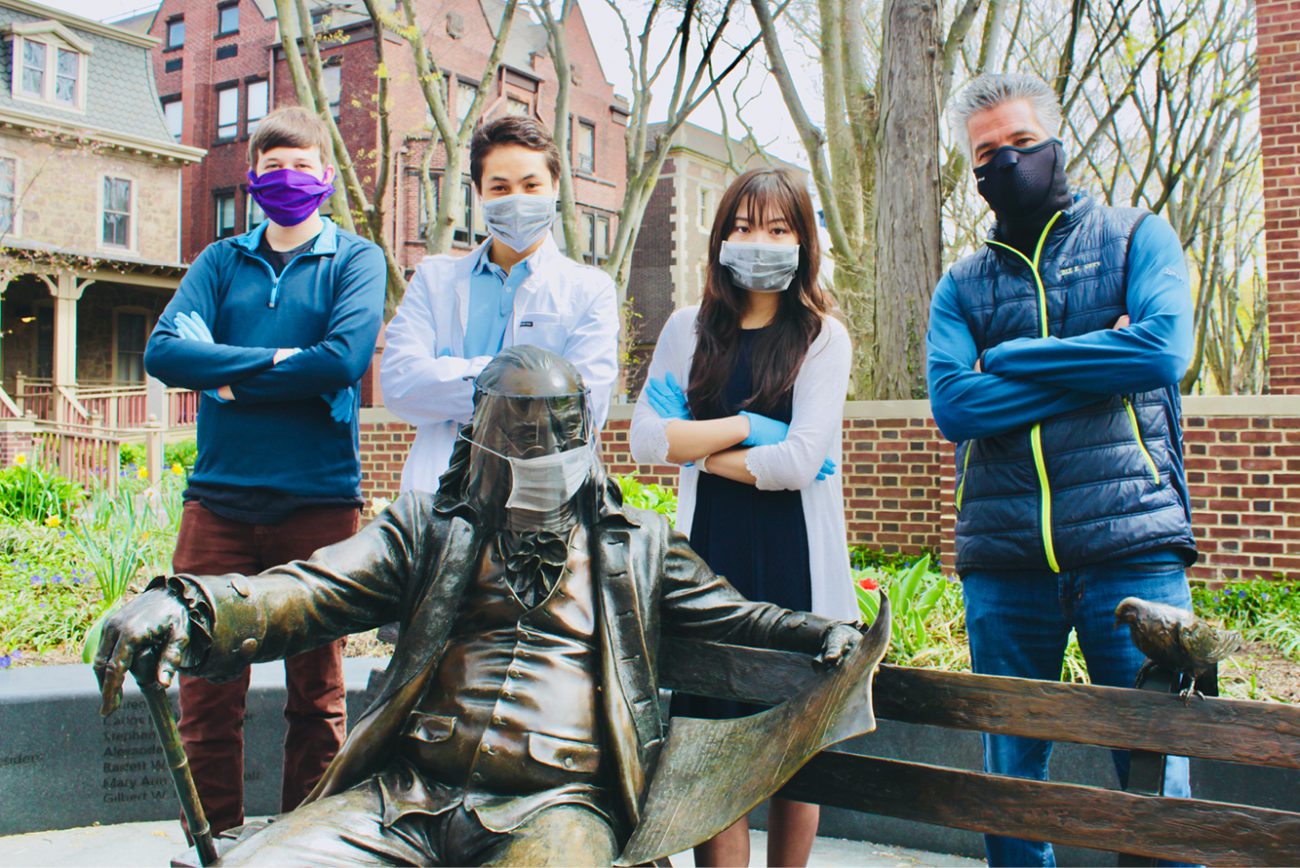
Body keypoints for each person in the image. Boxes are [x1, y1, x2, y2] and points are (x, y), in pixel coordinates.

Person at [93, 346, 877, 867]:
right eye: (521, 440)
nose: (543, 458)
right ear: (480, 441)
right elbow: (308, 588)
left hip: (559, 808)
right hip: (403, 797)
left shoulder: (637, 543)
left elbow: (738, 618)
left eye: (560, 439)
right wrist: (188, 607)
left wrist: (828, 635)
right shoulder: (425, 528)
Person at [925, 73, 1197, 868]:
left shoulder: (1137, 236)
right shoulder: (961, 285)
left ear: (1057, 140)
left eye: (1021, 144)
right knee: (1011, 791)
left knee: (1156, 779)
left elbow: (1162, 351)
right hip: (1006, 565)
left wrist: (1012, 358)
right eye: (986, 155)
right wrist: (1097, 363)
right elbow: (956, 408)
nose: (1005, 164)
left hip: (1132, 553)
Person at [141, 106, 386, 836]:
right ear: (251, 179)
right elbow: (164, 354)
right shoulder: (220, 263)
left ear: (328, 176)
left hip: (317, 503)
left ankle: (304, 843)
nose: (287, 180)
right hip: (217, 504)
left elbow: (343, 359)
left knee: (317, 693)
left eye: (302, 167)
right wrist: (285, 364)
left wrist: (225, 374)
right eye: (272, 169)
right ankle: (212, 838)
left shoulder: (355, 261)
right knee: (207, 688)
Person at [629, 167, 855, 867]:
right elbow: (643, 441)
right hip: (710, 569)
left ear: (803, 240)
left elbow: (801, 464)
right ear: (722, 236)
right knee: (709, 755)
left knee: (794, 757)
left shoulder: (821, 337)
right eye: (744, 226)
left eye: (779, 229)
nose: (760, 242)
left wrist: (697, 445)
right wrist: (753, 426)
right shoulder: (687, 331)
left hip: (798, 572)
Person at [380, 115, 619, 493]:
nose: (517, 199)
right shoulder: (434, 280)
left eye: (531, 185)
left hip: (541, 504)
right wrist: (524, 383)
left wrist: (451, 376)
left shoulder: (589, 289)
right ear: (479, 192)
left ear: (555, 187)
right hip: (438, 494)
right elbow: (400, 385)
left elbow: (582, 411)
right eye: (500, 187)